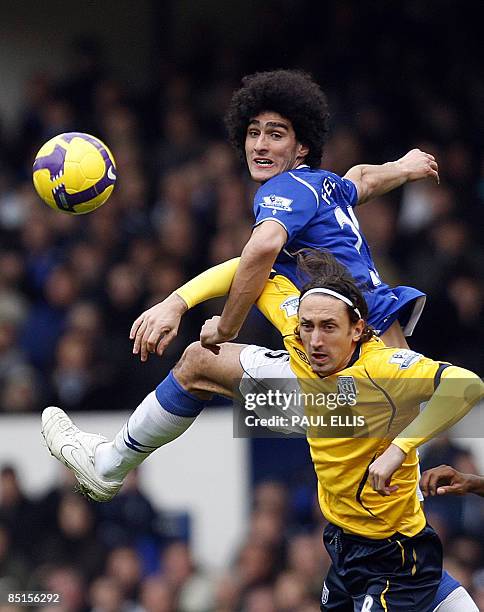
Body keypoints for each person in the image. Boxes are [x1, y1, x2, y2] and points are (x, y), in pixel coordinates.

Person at [42, 250, 482, 611]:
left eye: (329, 328)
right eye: (308, 327)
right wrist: (175, 302)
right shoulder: (301, 331)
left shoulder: (385, 368)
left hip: (391, 553)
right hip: (347, 544)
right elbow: (248, 267)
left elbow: (467, 385)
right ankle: (109, 465)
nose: (314, 339)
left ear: (358, 331)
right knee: (198, 361)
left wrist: (399, 449)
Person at [130, 69, 439, 362]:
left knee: (198, 362)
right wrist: (402, 167)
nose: (260, 146)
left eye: (275, 135)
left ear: (302, 146)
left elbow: (260, 250)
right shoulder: (322, 185)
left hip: (355, 349)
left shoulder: (285, 187)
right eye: (253, 133)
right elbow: (362, 179)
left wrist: (226, 327)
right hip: (382, 340)